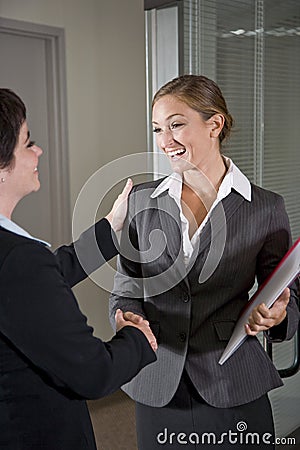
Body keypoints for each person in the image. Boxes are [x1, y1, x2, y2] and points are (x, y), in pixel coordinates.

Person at [109, 75, 300, 449]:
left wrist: (279, 314)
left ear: (215, 124)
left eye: (177, 124)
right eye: (158, 129)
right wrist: (124, 315)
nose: (165, 141)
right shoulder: (141, 202)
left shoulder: (264, 207)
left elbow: (287, 293)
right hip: (158, 378)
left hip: (233, 380)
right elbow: (126, 287)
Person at [0, 88, 157, 450]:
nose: (38, 151)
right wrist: (137, 339)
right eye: (28, 142)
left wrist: (110, 229)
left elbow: (29, 291)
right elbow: (93, 373)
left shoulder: (16, 262)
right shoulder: (19, 262)